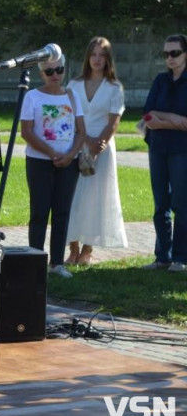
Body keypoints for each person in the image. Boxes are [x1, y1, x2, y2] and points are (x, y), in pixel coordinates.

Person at [20, 55, 86, 278]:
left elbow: (81, 131)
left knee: (62, 213)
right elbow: (26, 132)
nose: (55, 75)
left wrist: (70, 155)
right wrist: (51, 153)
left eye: (59, 70)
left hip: (69, 162)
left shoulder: (72, 95)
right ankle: (35, 260)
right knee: (39, 212)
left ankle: (57, 263)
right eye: (49, 72)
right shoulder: (32, 96)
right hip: (39, 162)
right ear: (41, 74)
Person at [65, 37, 128, 265]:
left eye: (102, 55)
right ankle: (72, 248)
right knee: (73, 197)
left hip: (101, 149)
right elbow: (68, 114)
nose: (97, 59)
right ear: (87, 57)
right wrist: (85, 139)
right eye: (93, 54)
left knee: (95, 199)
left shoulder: (114, 88)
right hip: (75, 142)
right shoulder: (73, 85)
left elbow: (113, 121)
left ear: (108, 58)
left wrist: (98, 143)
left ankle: (87, 250)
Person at [142, 34, 187, 272]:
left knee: (180, 203)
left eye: (175, 53)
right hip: (158, 147)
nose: (170, 58)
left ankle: (181, 258)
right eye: (166, 54)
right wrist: (175, 119)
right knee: (161, 204)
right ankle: (162, 257)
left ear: (185, 54)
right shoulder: (160, 80)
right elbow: (148, 115)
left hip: (182, 149)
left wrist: (162, 119)